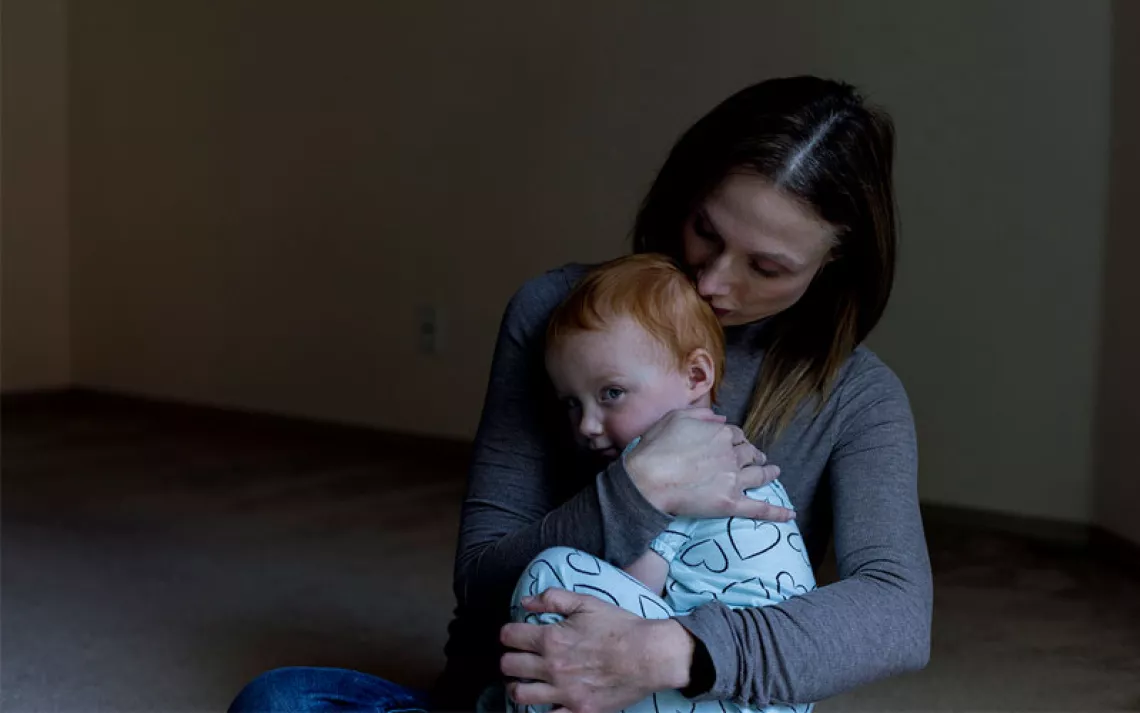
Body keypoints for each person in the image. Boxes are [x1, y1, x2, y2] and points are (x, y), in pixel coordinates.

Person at [228, 75, 931, 713]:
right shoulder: (558, 315)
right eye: (705, 232)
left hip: (686, 704)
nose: (714, 281)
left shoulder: (858, 397)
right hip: (509, 700)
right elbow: (481, 580)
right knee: (282, 700)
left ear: (835, 265)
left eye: (767, 266)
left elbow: (897, 615)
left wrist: (661, 653)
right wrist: (639, 485)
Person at [507, 253, 816, 713]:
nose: (588, 425)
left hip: (727, 690)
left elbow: (632, 596)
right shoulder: (729, 449)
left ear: (696, 376)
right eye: (573, 403)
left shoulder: (674, 461)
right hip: (775, 688)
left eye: (611, 393)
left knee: (554, 577)